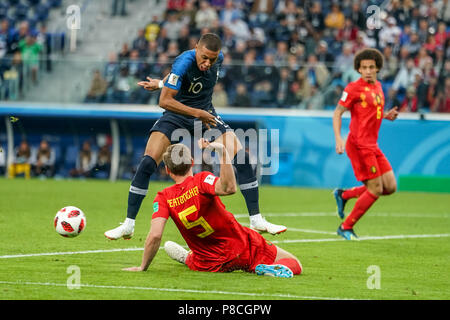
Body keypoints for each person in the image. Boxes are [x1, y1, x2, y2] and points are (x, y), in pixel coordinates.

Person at [104, 33, 286, 240]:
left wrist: (162, 83)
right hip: (177, 114)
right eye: (204, 57)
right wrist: (189, 107)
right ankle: (128, 224)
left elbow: (175, 78)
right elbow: (164, 102)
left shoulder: (220, 58)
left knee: (242, 158)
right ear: (196, 47)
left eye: (213, 59)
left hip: (205, 114)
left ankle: (256, 219)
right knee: (147, 163)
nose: (208, 63)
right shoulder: (184, 60)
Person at [123, 142, 302, 278]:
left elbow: (155, 235)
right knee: (295, 263)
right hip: (241, 248)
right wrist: (223, 153)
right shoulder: (201, 180)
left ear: (168, 170)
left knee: (190, 257)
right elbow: (229, 188)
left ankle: (187, 258)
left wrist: (143, 267)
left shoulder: (163, 197)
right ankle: (263, 268)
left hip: (208, 263)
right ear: (192, 162)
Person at [332, 48, 399, 240]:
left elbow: (371, 111)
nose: (368, 70)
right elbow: (337, 113)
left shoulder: (378, 86)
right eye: (364, 68)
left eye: (371, 67)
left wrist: (386, 115)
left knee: (390, 187)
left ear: (378, 68)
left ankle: (345, 195)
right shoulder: (353, 88)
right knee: (376, 189)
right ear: (358, 69)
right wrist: (338, 138)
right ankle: (345, 227)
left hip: (373, 145)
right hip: (359, 145)